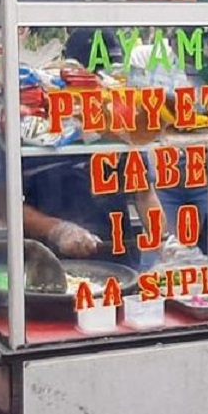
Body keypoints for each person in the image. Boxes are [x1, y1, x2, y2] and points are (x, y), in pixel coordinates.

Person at [21, 29, 161, 270]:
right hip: (49, 266)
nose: (101, 87)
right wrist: (56, 229)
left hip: (117, 264)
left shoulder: (119, 127)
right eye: (92, 79)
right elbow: (4, 204)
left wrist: (164, 242)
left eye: (106, 78)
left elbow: (144, 195)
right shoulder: (35, 125)